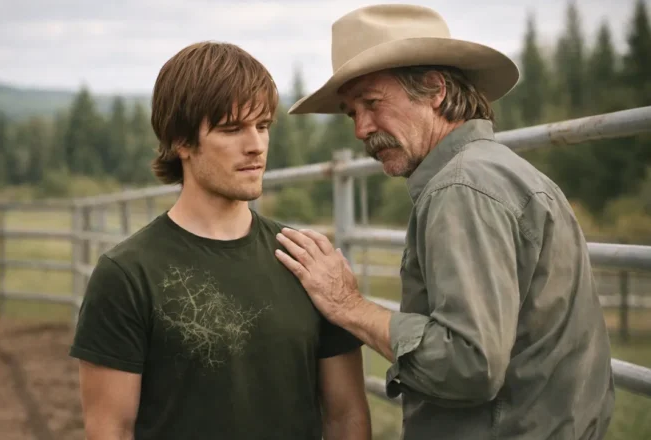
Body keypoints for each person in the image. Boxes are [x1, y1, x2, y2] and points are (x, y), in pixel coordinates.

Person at [275, 4, 615, 440]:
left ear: (435, 89)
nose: (361, 128)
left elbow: (468, 365)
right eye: (350, 113)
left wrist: (349, 307)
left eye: (372, 103)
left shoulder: (460, 188)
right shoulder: (503, 172)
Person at [68, 41, 371, 440]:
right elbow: (111, 430)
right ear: (181, 141)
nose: (256, 145)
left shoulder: (307, 261)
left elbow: (346, 416)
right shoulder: (127, 275)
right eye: (232, 129)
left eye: (262, 126)